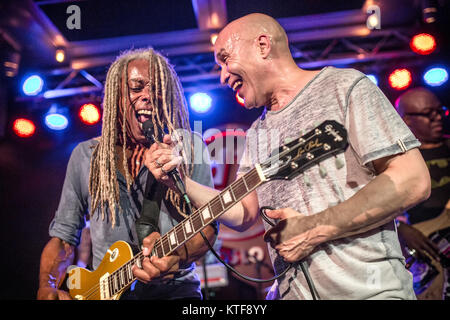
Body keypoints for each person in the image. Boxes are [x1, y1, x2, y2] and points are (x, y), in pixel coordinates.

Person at [146, 13, 431, 300]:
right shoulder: (258, 131)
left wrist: (313, 228)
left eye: (225, 59)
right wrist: (182, 182)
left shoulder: (343, 87)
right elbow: (244, 213)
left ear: (262, 45)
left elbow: (412, 180)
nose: (221, 76)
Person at [37, 48, 217, 300]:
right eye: (137, 88)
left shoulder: (188, 147)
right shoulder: (85, 156)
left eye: (156, 89)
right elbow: (64, 239)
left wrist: (178, 256)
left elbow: (207, 227)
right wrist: (47, 285)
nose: (148, 97)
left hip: (176, 292)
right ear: (116, 97)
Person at [395, 87, 450, 299]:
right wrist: (400, 229)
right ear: (407, 119)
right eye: (428, 113)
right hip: (427, 250)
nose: (437, 118)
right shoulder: (397, 159)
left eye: (440, 111)